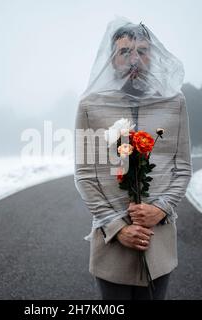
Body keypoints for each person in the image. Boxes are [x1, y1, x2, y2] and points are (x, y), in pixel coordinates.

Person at [74, 17, 193, 300]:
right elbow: (85, 177)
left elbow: (184, 168)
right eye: (124, 52)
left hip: (158, 244)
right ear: (111, 59)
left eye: (141, 50)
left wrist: (160, 209)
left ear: (153, 56)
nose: (134, 59)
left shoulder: (174, 102)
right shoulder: (90, 105)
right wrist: (117, 228)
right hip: (112, 245)